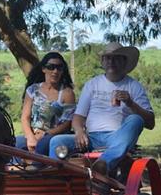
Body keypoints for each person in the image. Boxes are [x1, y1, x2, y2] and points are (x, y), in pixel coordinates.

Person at [48, 42, 155, 178]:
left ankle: (103, 163)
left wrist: (130, 103)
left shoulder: (134, 86)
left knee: (136, 119)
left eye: (116, 58)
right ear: (103, 62)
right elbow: (78, 117)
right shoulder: (92, 84)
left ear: (124, 61)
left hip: (118, 137)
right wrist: (79, 131)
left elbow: (150, 123)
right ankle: (58, 181)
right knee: (56, 141)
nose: (111, 62)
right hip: (91, 138)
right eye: (108, 58)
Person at [14, 52, 76, 156]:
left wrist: (46, 134)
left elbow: (67, 124)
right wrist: (30, 137)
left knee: (43, 145)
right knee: (15, 143)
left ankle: (36, 166)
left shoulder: (67, 93)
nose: (55, 71)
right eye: (51, 67)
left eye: (59, 68)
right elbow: (25, 117)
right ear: (44, 69)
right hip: (33, 134)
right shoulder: (33, 90)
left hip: (54, 135)